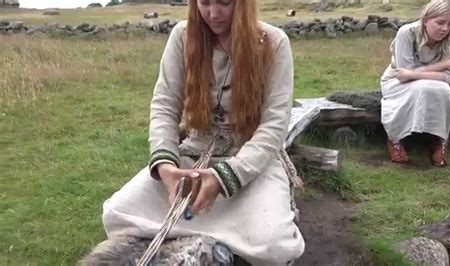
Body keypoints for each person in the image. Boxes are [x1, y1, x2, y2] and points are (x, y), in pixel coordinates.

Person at [99, 0, 305, 265]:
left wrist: (223, 178)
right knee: (117, 212)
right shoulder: (183, 36)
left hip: (250, 160)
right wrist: (166, 168)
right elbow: (164, 104)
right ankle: (222, 237)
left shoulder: (274, 43)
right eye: (204, 2)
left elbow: (274, 126)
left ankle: (204, 232)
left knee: (275, 245)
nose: (213, 14)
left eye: (224, 3)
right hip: (195, 153)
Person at [380, 0, 450, 167]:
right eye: (440, 22)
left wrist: (413, 73)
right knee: (422, 88)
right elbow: (403, 75)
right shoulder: (407, 33)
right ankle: (395, 138)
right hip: (396, 83)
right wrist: (444, 65)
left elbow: (448, 78)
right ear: (426, 20)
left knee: (444, 91)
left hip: (431, 82)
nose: (445, 28)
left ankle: (440, 139)